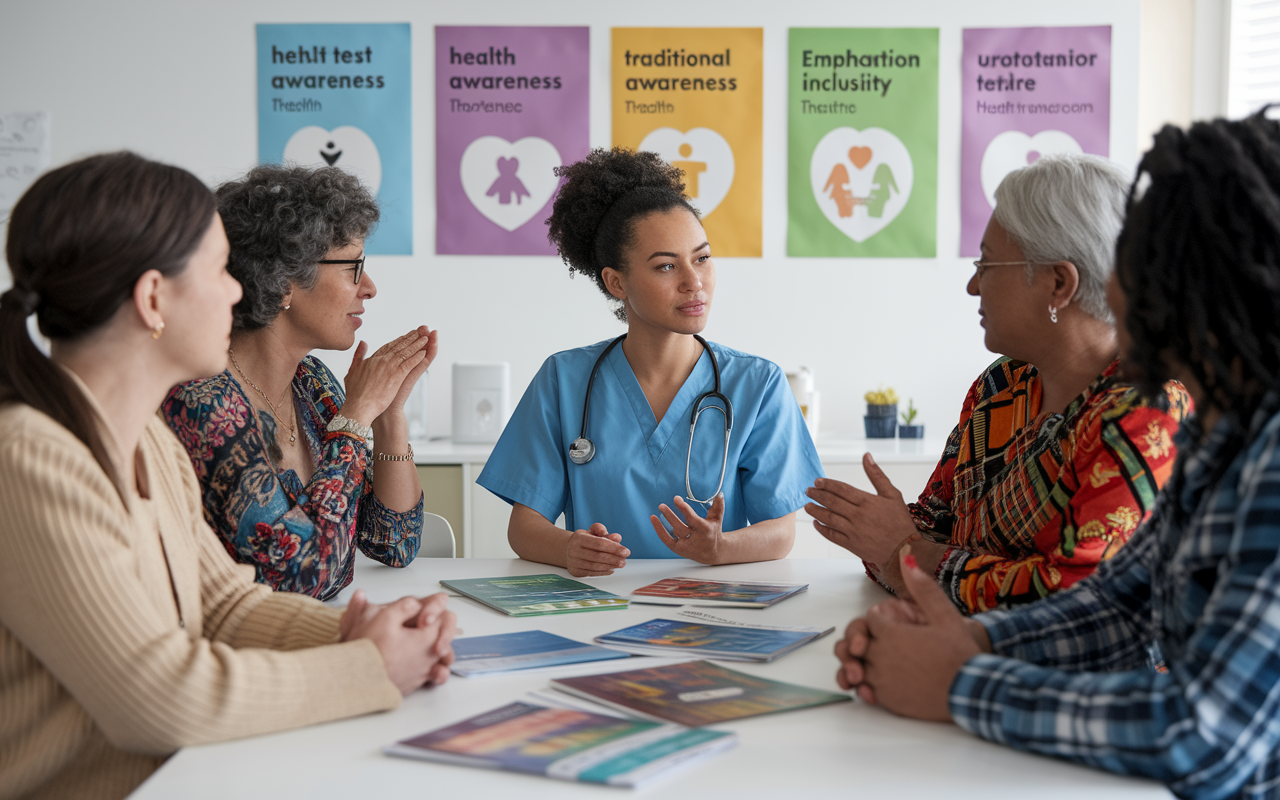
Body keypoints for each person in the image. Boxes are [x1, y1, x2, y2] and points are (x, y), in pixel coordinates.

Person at [835, 111, 1280, 799]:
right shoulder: (1225, 439)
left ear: (1189, 284)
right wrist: (969, 646)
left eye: (1132, 257)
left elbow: (1201, 737)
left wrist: (959, 681)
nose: (1115, 281)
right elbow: (1121, 605)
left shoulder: (1252, 457)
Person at [0, 152, 455, 800]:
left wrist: (367, 631)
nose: (242, 290)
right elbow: (155, 697)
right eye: (219, 271)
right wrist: (369, 666)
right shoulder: (29, 461)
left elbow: (224, 605)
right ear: (153, 298)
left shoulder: (149, 444)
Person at [805, 153, 1190, 613]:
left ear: (1058, 283)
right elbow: (932, 525)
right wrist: (885, 539)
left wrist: (904, 556)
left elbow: (1077, 601)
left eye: (986, 265)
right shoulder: (1001, 385)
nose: (972, 285)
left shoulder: (1149, 412)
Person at [477, 148, 823, 577]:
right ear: (616, 282)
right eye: (665, 266)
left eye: (702, 258)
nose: (694, 282)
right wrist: (570, 549)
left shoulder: (757, 384)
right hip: (597, 608)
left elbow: (781, 531)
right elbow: (524, 528)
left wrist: (720, 547)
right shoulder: (563, 380)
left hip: (709, 613)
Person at [162, 164, 432, 601]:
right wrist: (355, 417)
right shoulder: (202, 399)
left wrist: (389, 415)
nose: (370, 288)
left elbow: (394, 542)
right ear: (284, 278)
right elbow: (294, 579)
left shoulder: (312, 384)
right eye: (353, 268)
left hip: (315, 635)